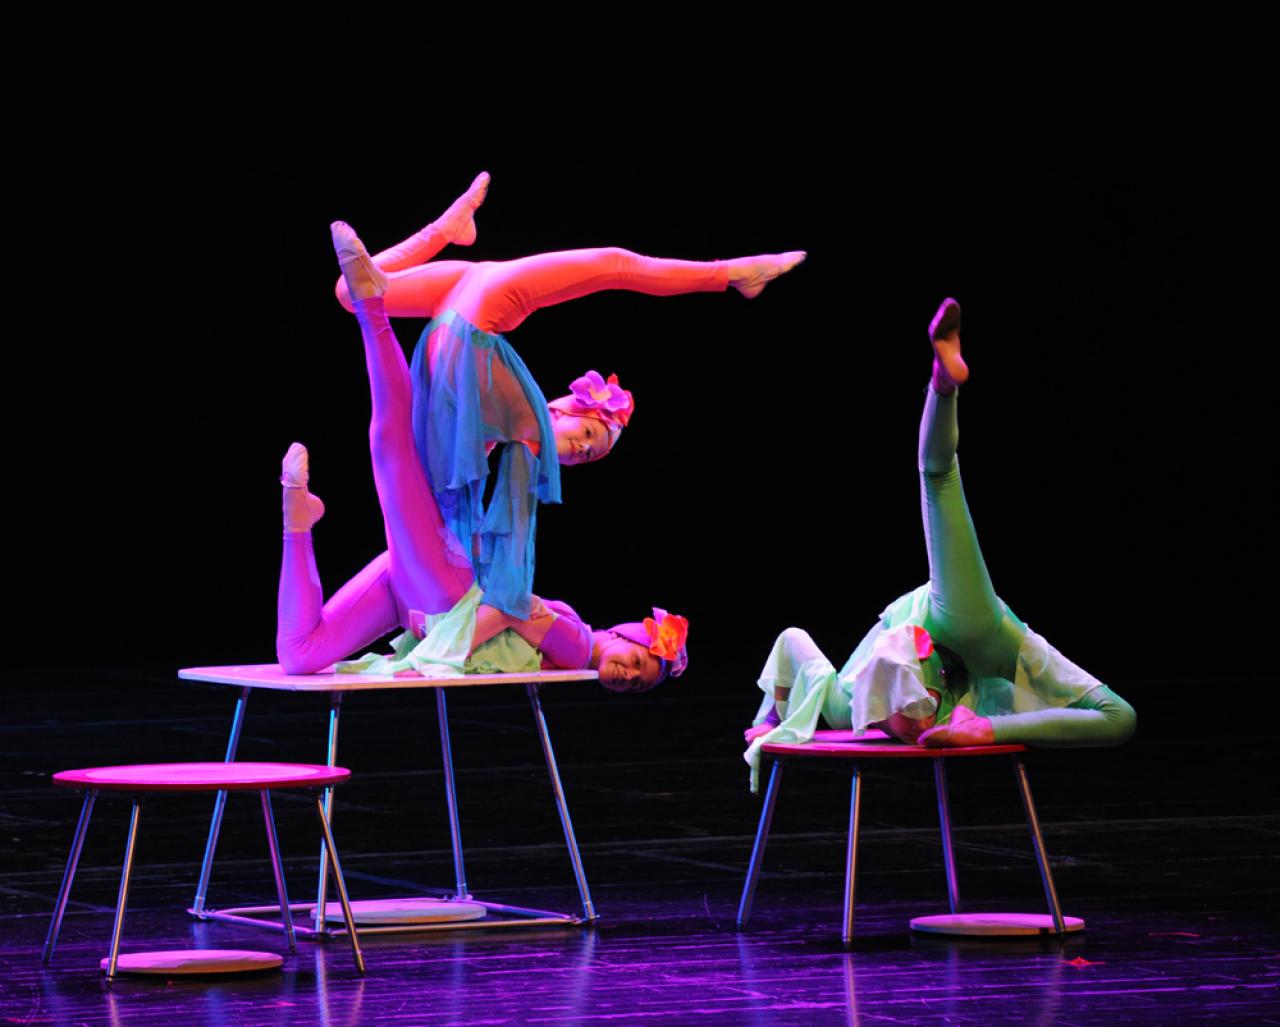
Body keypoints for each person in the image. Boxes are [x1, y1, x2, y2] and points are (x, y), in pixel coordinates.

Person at [333, 173, 804, 618]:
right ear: (560, 408)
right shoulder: (525, 420)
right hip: (480, 310)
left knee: (352, 291)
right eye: (589, 434)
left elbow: (462, 498)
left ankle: (448, 229)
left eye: (587, 456)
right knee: (615, 263)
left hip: (455, 314)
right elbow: (512, 516)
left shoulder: (494, 438)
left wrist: (469, 555)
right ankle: (732, 273)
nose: (581, 449)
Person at [274, 223, 688, 692]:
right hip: (439, 586)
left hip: (423, 576)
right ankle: (372, 305)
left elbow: (511, 601)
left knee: (299, 653)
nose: (625, 674)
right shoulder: (576, 645)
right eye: (635, 661)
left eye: (634, 682)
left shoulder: (572, 643)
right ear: (621, 635)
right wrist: (442, 651)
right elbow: (508, 606)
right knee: (391, 452)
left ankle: (298, 522)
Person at [742, 299, 1135, 789]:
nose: (921, 726)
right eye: (917, 712)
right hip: (970, 648)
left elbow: (793, 644)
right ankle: (943, 383)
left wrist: (985, 728)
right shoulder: (850, 704)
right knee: (1120, 718)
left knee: (939, 478)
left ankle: (943, 383)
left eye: (920, 710)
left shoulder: (854, 698)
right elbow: (792, 641)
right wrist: (770, 719)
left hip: (961, 622)